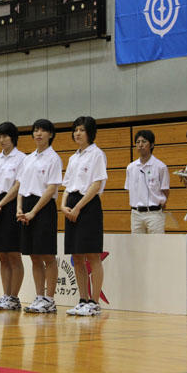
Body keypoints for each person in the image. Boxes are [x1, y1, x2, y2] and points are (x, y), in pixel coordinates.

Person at [62, 116, 107, 317]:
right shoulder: (73, 158)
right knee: (77, 256)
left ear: (90, 133)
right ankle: (82, 300)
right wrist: (63, 206)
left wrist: (78, 207)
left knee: (92, 255)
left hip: (88, 205)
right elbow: (66, 186)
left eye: (81, 130)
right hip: (71, 204)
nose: (77, 133)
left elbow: (96, 185)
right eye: (75, 130)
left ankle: (94, 302)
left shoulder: (97, 154)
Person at [16, 119, 62, 313]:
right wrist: (19, 208)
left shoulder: (54, 159)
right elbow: (21, 185)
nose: (38, 134)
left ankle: (49, 299)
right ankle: (39, 297)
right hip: (26, 206)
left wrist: (34, 211)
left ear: (50, 134)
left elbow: (51, 189)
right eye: (36, 130)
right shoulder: (27, 159)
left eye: (43, 130)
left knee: (47, 255)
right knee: (34, 256)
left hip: (43, 208)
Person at [0, 121, 25, 311]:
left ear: (13, 137)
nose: (1, 140)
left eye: (5, 136)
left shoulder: (21, 159)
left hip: (11, 205)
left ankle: (14, 297)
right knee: (2, 255)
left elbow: (18, 185)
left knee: (13, 254)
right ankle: (6, 296)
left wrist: (1, 204)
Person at [125, 130, 170, 234]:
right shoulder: (130, 167)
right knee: (137, 244)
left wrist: (160, 204)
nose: (140, 145)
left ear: (152, 145)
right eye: (138, 142)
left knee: (156, 243)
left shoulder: (160, 166)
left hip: (154, 214)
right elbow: (129, 190)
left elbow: (165, 190)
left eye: (144, 141)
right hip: (136, 214)